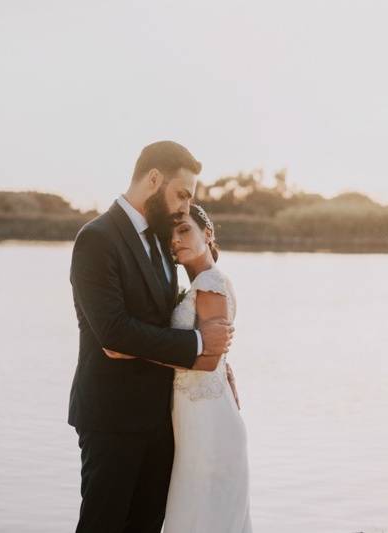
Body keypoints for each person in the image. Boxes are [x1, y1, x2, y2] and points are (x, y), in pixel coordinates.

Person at [68, 140, 235, 533]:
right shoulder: (97, 238)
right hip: (112, 418)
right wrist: (199, 349)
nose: (183, 206)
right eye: (181, 194)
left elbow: (176, 317)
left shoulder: (163, 240)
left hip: (163, 420)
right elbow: (114, 332)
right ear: (154, 179)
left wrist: (220, 363)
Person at [105, 204, 252, 532]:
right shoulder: (198, 283)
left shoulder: (211, 283)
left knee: (201, 513)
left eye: (184, 230)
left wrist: (133, 351)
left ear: (208, 233)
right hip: (191, 416)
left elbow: (210, 357)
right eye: (168, 236)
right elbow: (214, 351)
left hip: (209, 420)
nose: (175, 241)